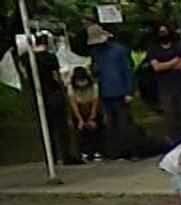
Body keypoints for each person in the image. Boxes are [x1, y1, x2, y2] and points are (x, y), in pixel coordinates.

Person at [25, 34, 79, 166]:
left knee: (46, 127)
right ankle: (66, 155)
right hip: (53, 92)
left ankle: (51, 156)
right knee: (61, 126)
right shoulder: (50, 57)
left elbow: (26, 76)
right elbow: (56, 75)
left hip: (39, 94)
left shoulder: (28, 58)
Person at [86, 21, 135, 160]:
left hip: (120, 91)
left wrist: (129, 91)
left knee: (124, 123)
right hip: (105, 92)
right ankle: (117, 150)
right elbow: (95, 72)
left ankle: (131, 150)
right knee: (111, 124)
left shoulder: (119, 50)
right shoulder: (95, 53)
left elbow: (128, 71)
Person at [147, 21, 181, 144]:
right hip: (165, 88)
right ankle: (175, 142)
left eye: (165, 31)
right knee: (171, 117)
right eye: (161, 32)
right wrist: (174, 61)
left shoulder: (178, 46)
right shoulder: (153, 49)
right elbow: (156, 68)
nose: (164, 33)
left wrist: (165, 65)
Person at [69, 66, 104, 162]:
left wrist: (92, 117)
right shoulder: (71, 87)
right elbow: (73, 104)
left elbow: (95, 101)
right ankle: (84, 152)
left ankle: (97, 151)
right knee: (81, 131)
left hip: (91, 107)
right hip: (79, 109)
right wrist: (80, 119)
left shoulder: (94, 85)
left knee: (95, 129)